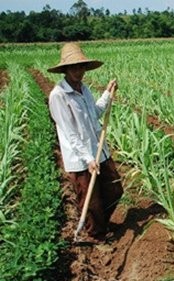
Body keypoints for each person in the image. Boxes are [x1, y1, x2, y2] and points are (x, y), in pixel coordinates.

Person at [48, 42, 122, 244]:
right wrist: (88, 159)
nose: (78, 71)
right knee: (92, 202)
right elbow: (70, 134)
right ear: (65, 69)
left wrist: (107, 94)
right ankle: (95, 235)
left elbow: (95, 113)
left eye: (81, 67)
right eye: (73, 67)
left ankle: (101, 224)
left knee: (115, 189)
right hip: (81, 159)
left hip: (98, 150)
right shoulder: (58, 96)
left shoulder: (84, 89)